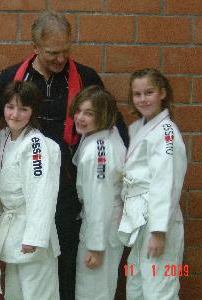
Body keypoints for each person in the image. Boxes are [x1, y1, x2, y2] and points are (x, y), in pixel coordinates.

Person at [0, 11, 129, 299]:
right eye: (53, 52)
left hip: (69, 186)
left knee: (65, 262)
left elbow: (113, 124)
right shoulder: (11, 78)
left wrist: (121, 179)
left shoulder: (86, 77)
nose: (61, 59)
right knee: (22, 273)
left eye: (66, 50)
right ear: (35, 47)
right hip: (24, 189)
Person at [118, 68, 187, 299]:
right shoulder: (138, 128)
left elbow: (166, 182)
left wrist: (159, 231)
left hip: (158, 222)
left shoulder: (166, 132)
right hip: (139, 219)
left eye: (149, 92)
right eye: (137, 94)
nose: (143, 99)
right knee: (136, 286)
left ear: (162, 93)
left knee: (159, 290)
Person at [0, 80, 61, 300]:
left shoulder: (36, 145)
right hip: (14, 232)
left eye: (23, 108)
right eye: (10, 107)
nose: (15, 114)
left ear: (33, 112)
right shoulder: (2, 137)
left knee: (37, 294)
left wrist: (35, 237)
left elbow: (43, 193)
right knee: (15, 293)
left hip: (32, 235)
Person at [70, 86, 126, 300]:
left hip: (101, 229)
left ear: (103, 116)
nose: (80, 118)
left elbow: (98, 200)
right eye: (79, 110)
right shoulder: (105, 135)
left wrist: (96, 246)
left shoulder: (97, 151)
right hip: (106, 225)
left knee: (92, 292)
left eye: (89, 113)